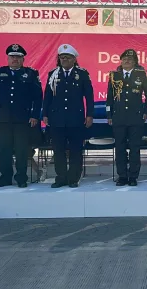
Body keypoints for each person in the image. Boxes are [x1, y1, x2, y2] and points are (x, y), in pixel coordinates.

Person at [0, 44, 42, 188]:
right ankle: (5, 178)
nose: (15, 59)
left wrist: (35, 115)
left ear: (23, 59)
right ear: (8, 58)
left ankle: (21, 178)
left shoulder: (31, 74)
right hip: (2, 119)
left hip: (22, 119)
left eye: (18, 57)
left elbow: (38, 98)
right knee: (4, 150)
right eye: (12, 57)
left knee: (22, 150)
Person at [43, 43, 94, 188]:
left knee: (75, 150)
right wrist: (45, 113)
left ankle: (73, 178)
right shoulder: (53, 74)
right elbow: (47, 96)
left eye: (68, 57)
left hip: (75, 119)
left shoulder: (82, 74)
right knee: (58, 150)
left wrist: (90, 114)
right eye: (62, 57)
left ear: (74, 59)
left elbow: (89, 96)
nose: (64, 59)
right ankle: (61, 177)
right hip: (57, 119)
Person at [107, 49, 147, 186]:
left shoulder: (141, 75)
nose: (127, 61)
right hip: (119, 117)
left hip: (136, 117)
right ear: (120, 61)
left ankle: (133, 176)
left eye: (130, 59)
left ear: (134, 62)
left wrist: (146, 112)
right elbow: (109, 98)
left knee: (134, 148)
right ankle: (122, 176)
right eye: (124, 59)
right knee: (120, 148)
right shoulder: (114, 76)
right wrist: (109, 114)